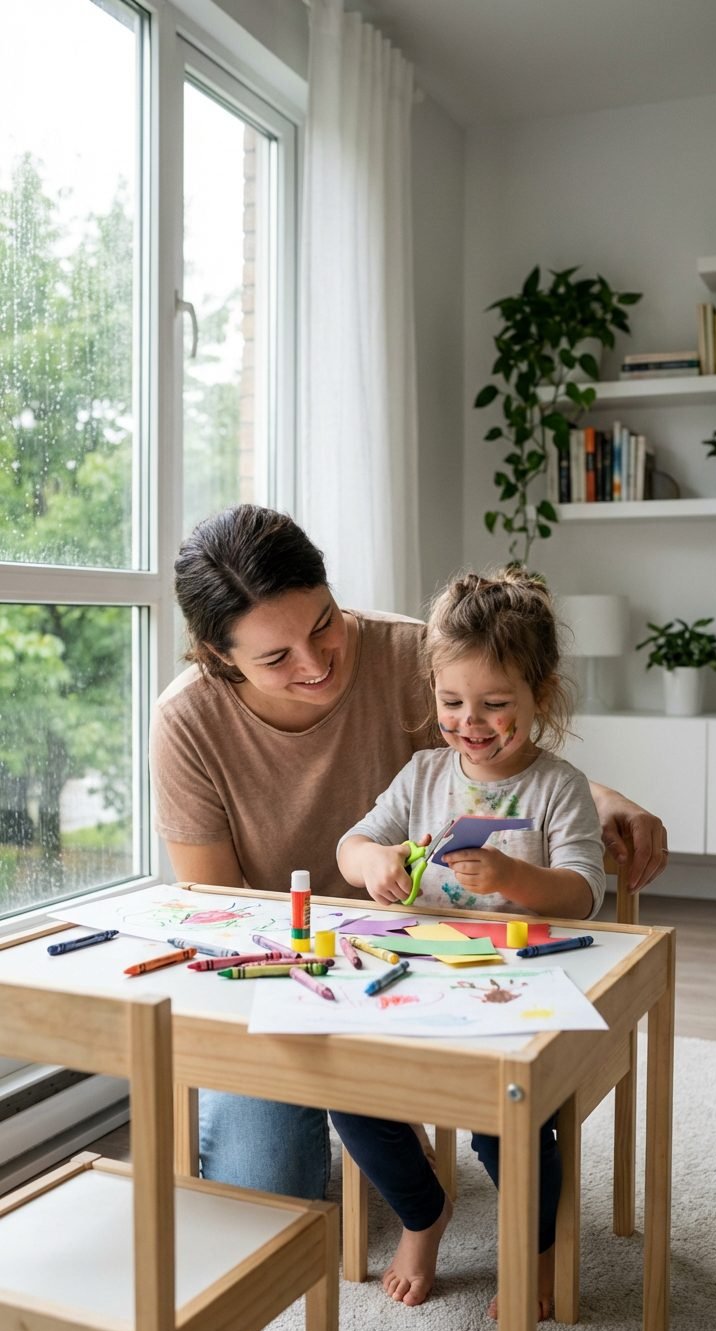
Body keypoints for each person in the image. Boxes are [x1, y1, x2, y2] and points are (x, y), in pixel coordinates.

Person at [150, 504, 668, 1204]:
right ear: (218, 657)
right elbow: (223, 912)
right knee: (266, 1201)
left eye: (323, 623)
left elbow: (506, 754)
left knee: (476, 1090)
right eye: (276, 657)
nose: (316, 663)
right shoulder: (186, 722)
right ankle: (372, 1117)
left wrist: (604, 801)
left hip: (422, 956)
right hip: (290, 967)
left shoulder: (411, 654)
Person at [333, 568, 604, 1319]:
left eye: (495, 705)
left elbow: (585, 888)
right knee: (348, 1093)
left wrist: (517, 878)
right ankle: (424, 1215)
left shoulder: (557, 787)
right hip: (414, 984)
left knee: (507, 1124)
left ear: (540, 697)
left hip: (512, 994)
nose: (470, 722)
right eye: (452, 702)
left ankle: (541, 1245)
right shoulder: (422, 773)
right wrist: (374, 864)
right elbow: (353, 844)